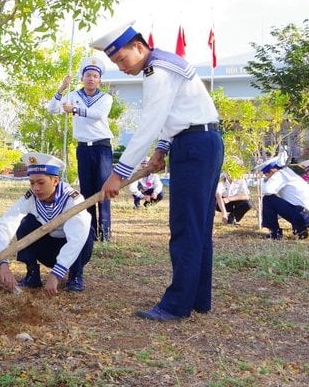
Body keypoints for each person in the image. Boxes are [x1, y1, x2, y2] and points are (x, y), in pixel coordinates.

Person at [90, 20, 223, 322]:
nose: (121, 68)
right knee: (198, 227)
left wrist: (117, 174)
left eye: (122, 59)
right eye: (115, 63)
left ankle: (176, 305)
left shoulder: (157, 72)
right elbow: (173, 116)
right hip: (200, 141)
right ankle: (197, 299)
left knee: (185, 227)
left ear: (138, 47)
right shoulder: (163, 64)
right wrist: (162, 150)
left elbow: (150, 123)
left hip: (194, 145)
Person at [0, 152, 95, 294]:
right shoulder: (30, 198)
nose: (36, 188)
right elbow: (5, 224)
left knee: (85, 229)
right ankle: (32, 275)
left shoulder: (73, 200)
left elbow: (76, 239)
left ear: (55, 181)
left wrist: (56, 274)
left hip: (76, 252)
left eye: (41, 182)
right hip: (47, 251)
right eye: (32, 183)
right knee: (26, 223)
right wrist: (2, 262)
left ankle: (75, 276)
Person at [47, 56, 113, 241]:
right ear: (82, 78)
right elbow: (52, 109)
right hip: (83, 148)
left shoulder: (105, 98)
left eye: (95, 75)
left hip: (101, 146)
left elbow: (98, 115)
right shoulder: (73, 96)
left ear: (99, 79)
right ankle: (90, 232)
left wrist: (75, 110)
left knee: (104, 188)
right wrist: (62, 88)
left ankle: (105, 232)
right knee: (87, 190)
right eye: (88, 75)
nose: (91, 78)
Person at [257, 156, 309, 240]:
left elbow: (267, 190)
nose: (267, 177)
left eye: (266, 175)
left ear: (272, 171)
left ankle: (275, 233)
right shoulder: (288, 173)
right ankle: (300, 230)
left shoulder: (279, 174)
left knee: (268, 199)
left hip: (303, 216)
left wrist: (264, 180)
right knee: (290, 202)